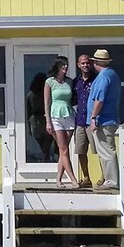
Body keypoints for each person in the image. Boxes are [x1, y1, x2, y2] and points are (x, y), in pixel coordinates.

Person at [87, 49, 121, 190]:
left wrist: (94, 117)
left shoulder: (103, 77)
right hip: (109, 119)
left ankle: (111, 181)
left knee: (106, 151)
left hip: (103, 121)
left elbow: (99, 100)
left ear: (96, 62)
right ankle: (110, 179)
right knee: (106, 151)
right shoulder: (112, 75)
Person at [44, 56, 80, 189]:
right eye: (62, 65)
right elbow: (47, 103)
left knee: (62, 150)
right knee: (64, 149)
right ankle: (73, 179)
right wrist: (48, 121)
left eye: (67, 65)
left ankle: (58, 180)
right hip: (55, 116)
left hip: (69, 115)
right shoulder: (50, 82)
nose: (65, 67)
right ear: (57, 66)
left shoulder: (69, 82)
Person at [71, 54, 99, 188]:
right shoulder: (75, 81)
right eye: (83, 63)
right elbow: (73, 100)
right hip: (80, 120)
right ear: (78, 65)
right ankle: (86, 177)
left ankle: (104, 177)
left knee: (99, 150)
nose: (85, 65)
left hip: (93, 120)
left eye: (87, 63)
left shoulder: (96, 80)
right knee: (81, 151)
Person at [26, 72, 54, 162]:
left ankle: (45, 159)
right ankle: (46, 159)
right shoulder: (46, 95)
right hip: (43, 119)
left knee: (43, 144)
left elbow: (28, 112)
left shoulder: (30, 95)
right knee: (46, 144)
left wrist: (29, 126)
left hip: (36, 120)